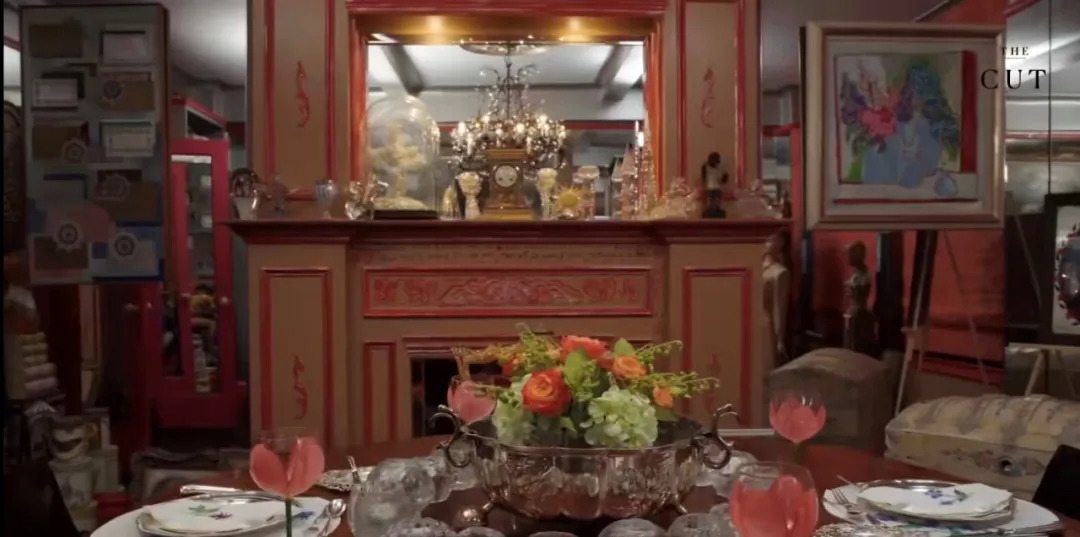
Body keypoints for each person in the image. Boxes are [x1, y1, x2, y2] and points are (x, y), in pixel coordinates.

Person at [700, 152, 727, 218]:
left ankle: (716, 208)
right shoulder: (707, 167)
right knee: (710, 199)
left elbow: (721, 178)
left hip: (716, 187)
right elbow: (704, 174)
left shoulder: (718, 168)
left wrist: (724, 176)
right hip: (710, 186)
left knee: (716, 199)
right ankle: (710, 209)